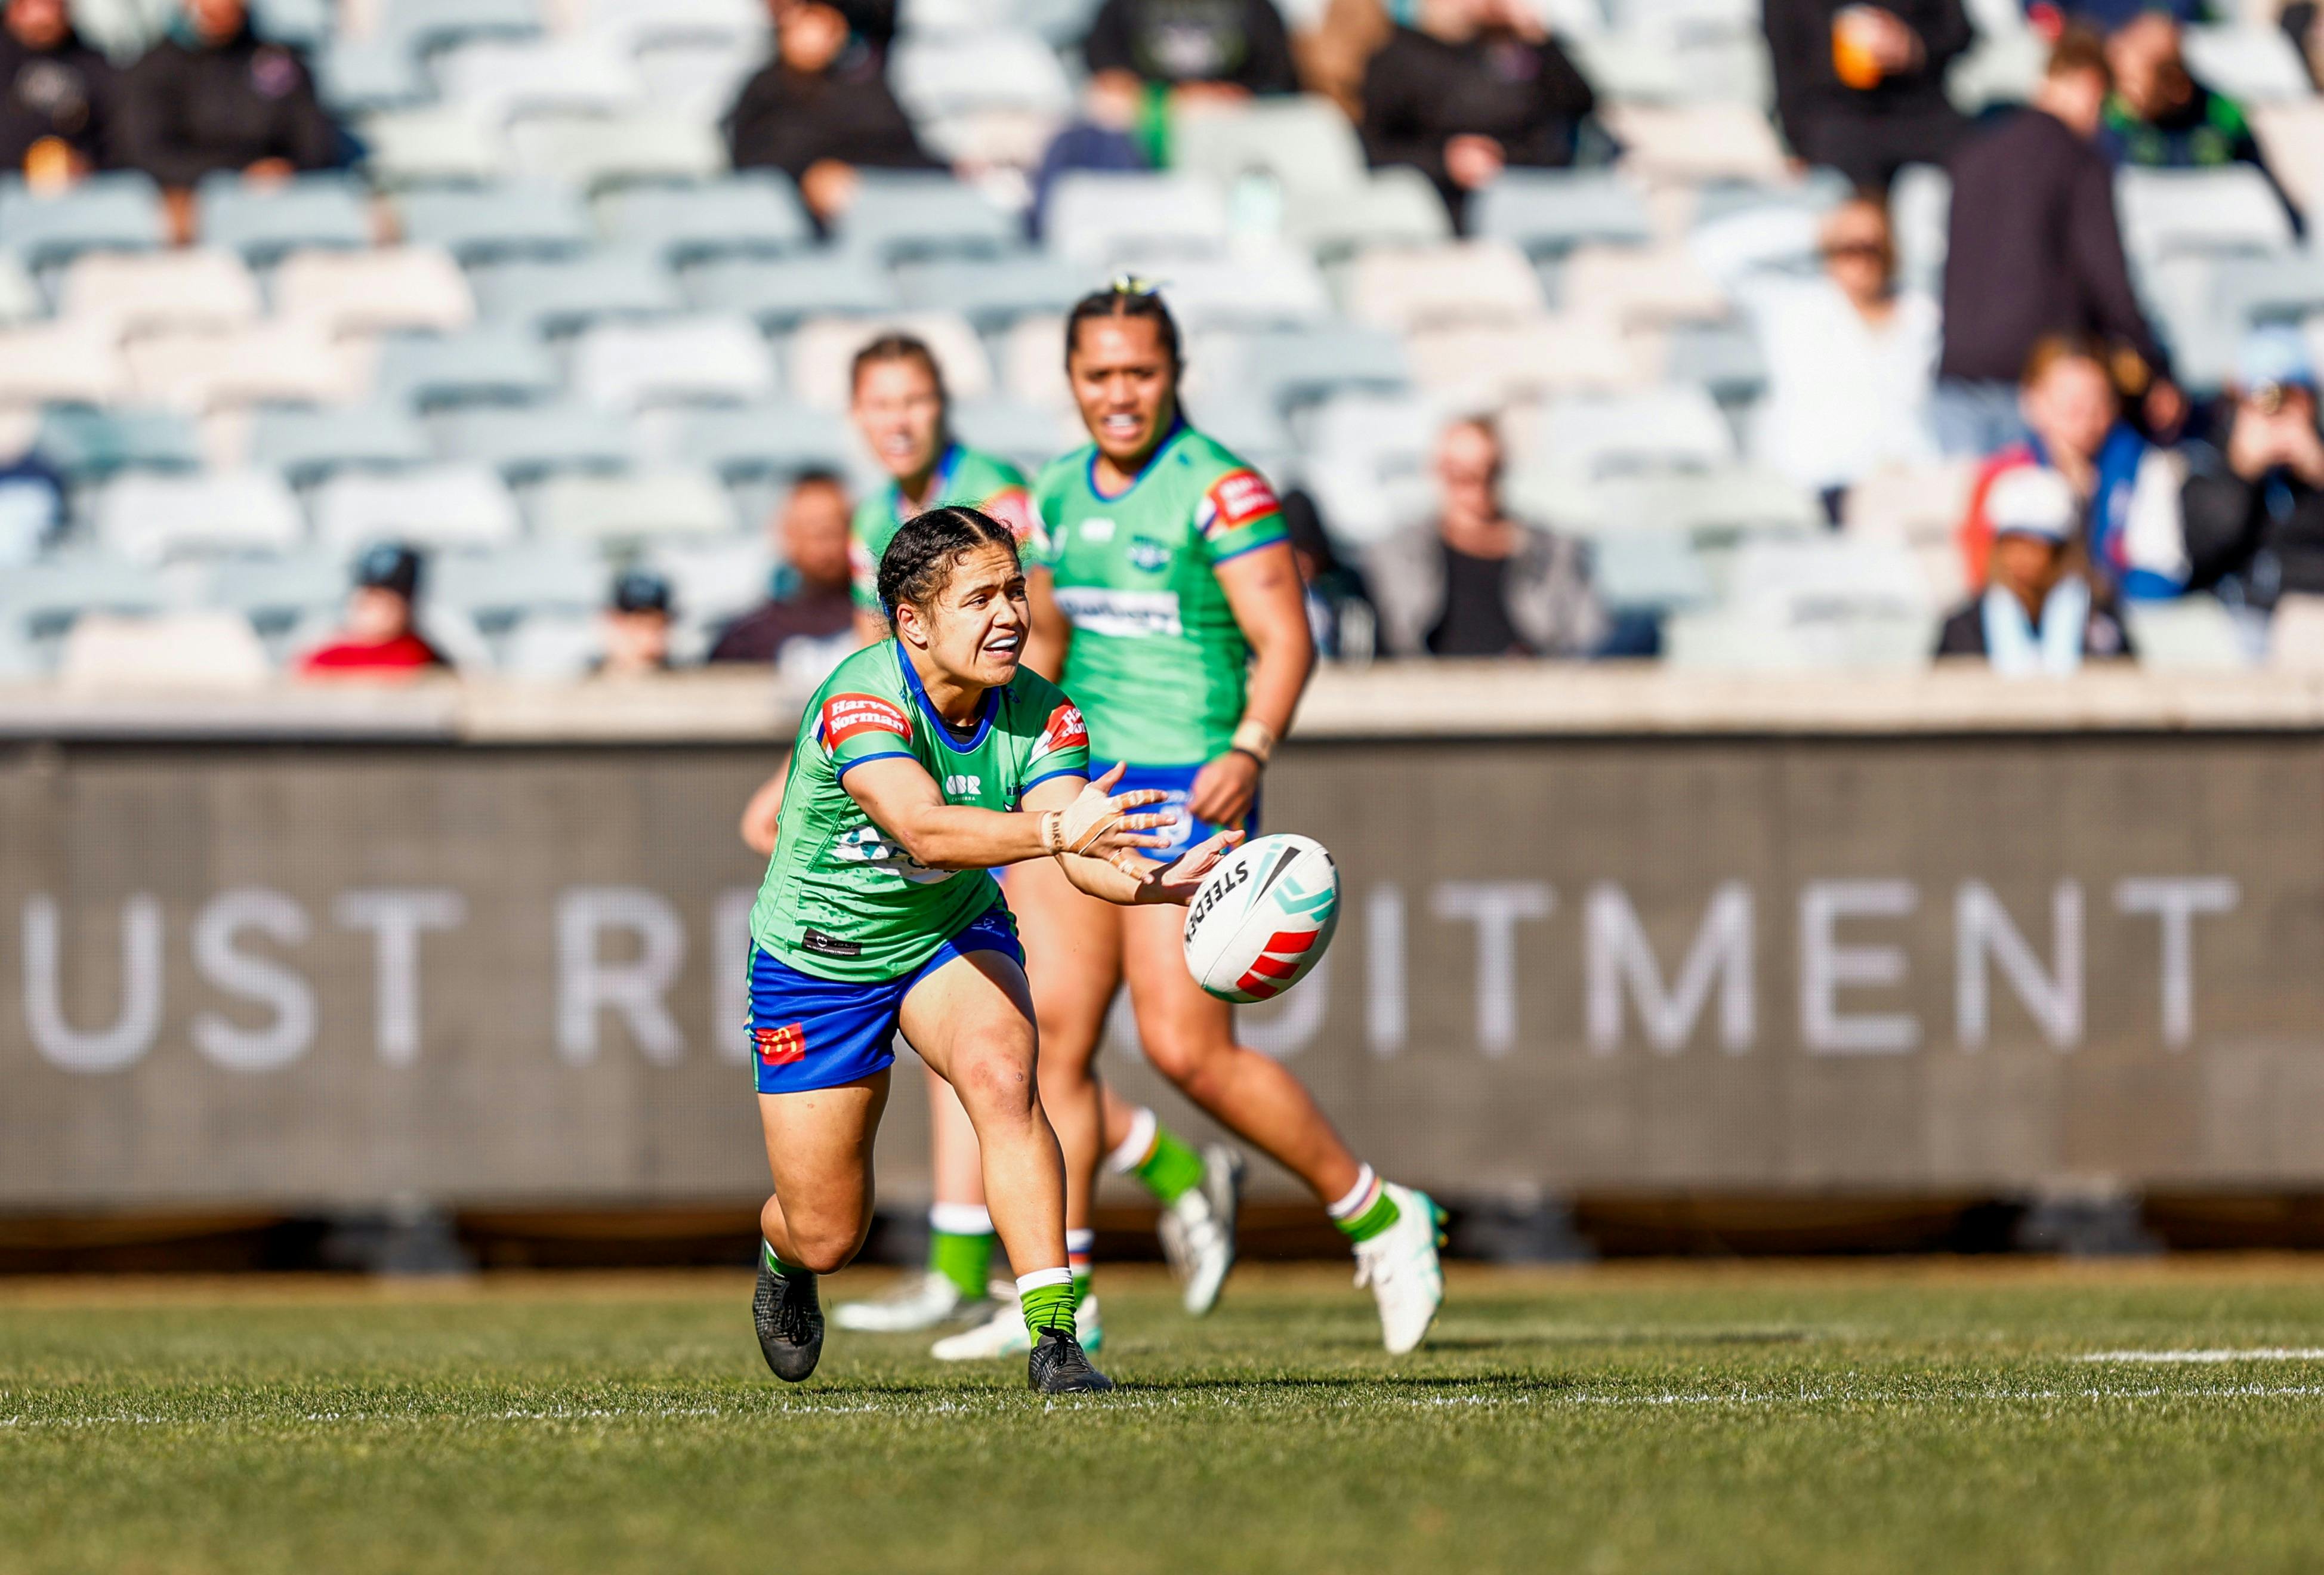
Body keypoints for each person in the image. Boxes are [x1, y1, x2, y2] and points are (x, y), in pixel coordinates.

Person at [930, 282, 1446, 1364]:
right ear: (1070, 381)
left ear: (1173, 375)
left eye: (1140, 372)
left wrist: (1248, 749)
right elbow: (1054, 641)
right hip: (1084, 785)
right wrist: (1018, 769)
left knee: (1184, 1049)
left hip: (1187, 789)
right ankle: (1060, 1299)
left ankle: (1375, 1211)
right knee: (1046, 1040)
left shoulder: (1220, 491)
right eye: (1098, 374)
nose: (1120, 394)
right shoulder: (1057, 494)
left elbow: (1285, 637)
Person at [738, 333, 1232, 1338]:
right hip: (820, 958)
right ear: (911, 625)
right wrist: (1056, 827)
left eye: (1016, 591)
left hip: (945, 933)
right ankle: (785, 1254)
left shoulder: (1048, 712)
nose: (1013, 615)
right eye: (984, 600)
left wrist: (1158, 885)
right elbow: (921, 826)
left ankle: (1055, 1328)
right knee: (831, 1229)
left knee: (1010, 1079)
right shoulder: (862, 702)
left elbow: (1081, 858)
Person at [1935, 29, 2182, 458]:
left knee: (1976, 515)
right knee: (2037, 516)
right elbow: (2107, 277)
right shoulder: (2078, 161)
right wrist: (2153, 366)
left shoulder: (1972, 154)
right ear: (2089, 86)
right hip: (2036, 383)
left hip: (1957, 374)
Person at [1739, 195, 1940, 519]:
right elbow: (1713, 258)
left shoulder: (1922, 316)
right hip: (1809, 488)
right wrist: (1812, 229)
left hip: (1898, 491)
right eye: (1849, 247)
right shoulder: (1791, 308)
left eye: (1872, 248)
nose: (1861, 258)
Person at [1958, 335, 2187, 600]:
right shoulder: (2004, 479)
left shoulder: (2143, 468)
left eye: (2097, 398)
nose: (2085, 412)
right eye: (2069, 399)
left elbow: (2160, 571)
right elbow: (1983, 574)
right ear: (2032, 401)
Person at [1364, 415, 1608, 658]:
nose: (1474, 483)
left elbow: (1590, 639)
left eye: (1486, 469)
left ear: (1502, 469)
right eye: (1458, 472)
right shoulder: (1395, 554)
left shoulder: (1556, 552)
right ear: (1437, 470)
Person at [116, 0, 343, 244]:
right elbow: (145, 153)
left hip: (276, 202)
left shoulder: (278, 61)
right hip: (192, 207)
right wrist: (238, 173)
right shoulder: (154, 67)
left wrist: (283, 170)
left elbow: (315, 144)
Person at [1359, 0, 1597, 231]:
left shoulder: (1510, 43)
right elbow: (1371, 152)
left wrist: (1536, 34)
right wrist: (1446, 163)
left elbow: (1583, 103)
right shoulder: (1397, 57)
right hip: (1456, 206)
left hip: (1541, 189)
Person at [724, 0, 942, 227]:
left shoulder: (864, 87)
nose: (811, 33)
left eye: (823, 21)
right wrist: (810, 177)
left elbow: (900, 148)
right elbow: (754, 160)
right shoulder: (765, 89)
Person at [1936, 465, 2135, 671]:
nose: (2022, 558)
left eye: (2035, 545)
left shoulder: (2099, 622)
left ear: (2061, 553)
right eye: (2013, 543)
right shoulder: (1965, 629)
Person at [2181, 325, 2324, 611]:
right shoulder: (2207, 457)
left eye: (2290, 398)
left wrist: (2317, 472)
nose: (2276, 411)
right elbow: (2204, 548)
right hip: (2233, 612)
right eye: (2263, 398)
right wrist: (2241, 473)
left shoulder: (2317, 460)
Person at [1762, 0, 1973, 192]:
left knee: (1977, 171)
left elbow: (1960, 30)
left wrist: (1914, 46)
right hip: (1836, 123)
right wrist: (1795, 149)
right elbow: (1787, 75)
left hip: (1922, 113)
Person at [707, 471, 857, 671]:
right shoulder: (747, 638)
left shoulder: (883, 624)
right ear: (785, 533)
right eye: (812, 531)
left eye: (834, 530)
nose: (823, 545)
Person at [1083, 0, 1301, 107]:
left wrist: (1219, 97)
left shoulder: (1257, 8)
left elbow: (1277, 79)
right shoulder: (1122, 7)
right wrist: (1173, 101)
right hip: (1149, 122)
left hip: (1229, 126)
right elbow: (1106, 75)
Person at [0, 0, 119, 185]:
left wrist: (88, 162)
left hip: (78, 195)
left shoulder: (93, 63)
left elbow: (115, 137)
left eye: (51, 5)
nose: (44, 15)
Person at [299, 543, 450, 678]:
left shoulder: (422, 657)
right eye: (368, 602)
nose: (377, 613)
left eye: (389, 603)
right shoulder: (326, 658)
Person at [595, 570, 675, 678]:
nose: (651, 641)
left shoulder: (685, 674)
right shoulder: (581, 683)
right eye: (640, 625)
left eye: (661, 626)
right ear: (612, 622)